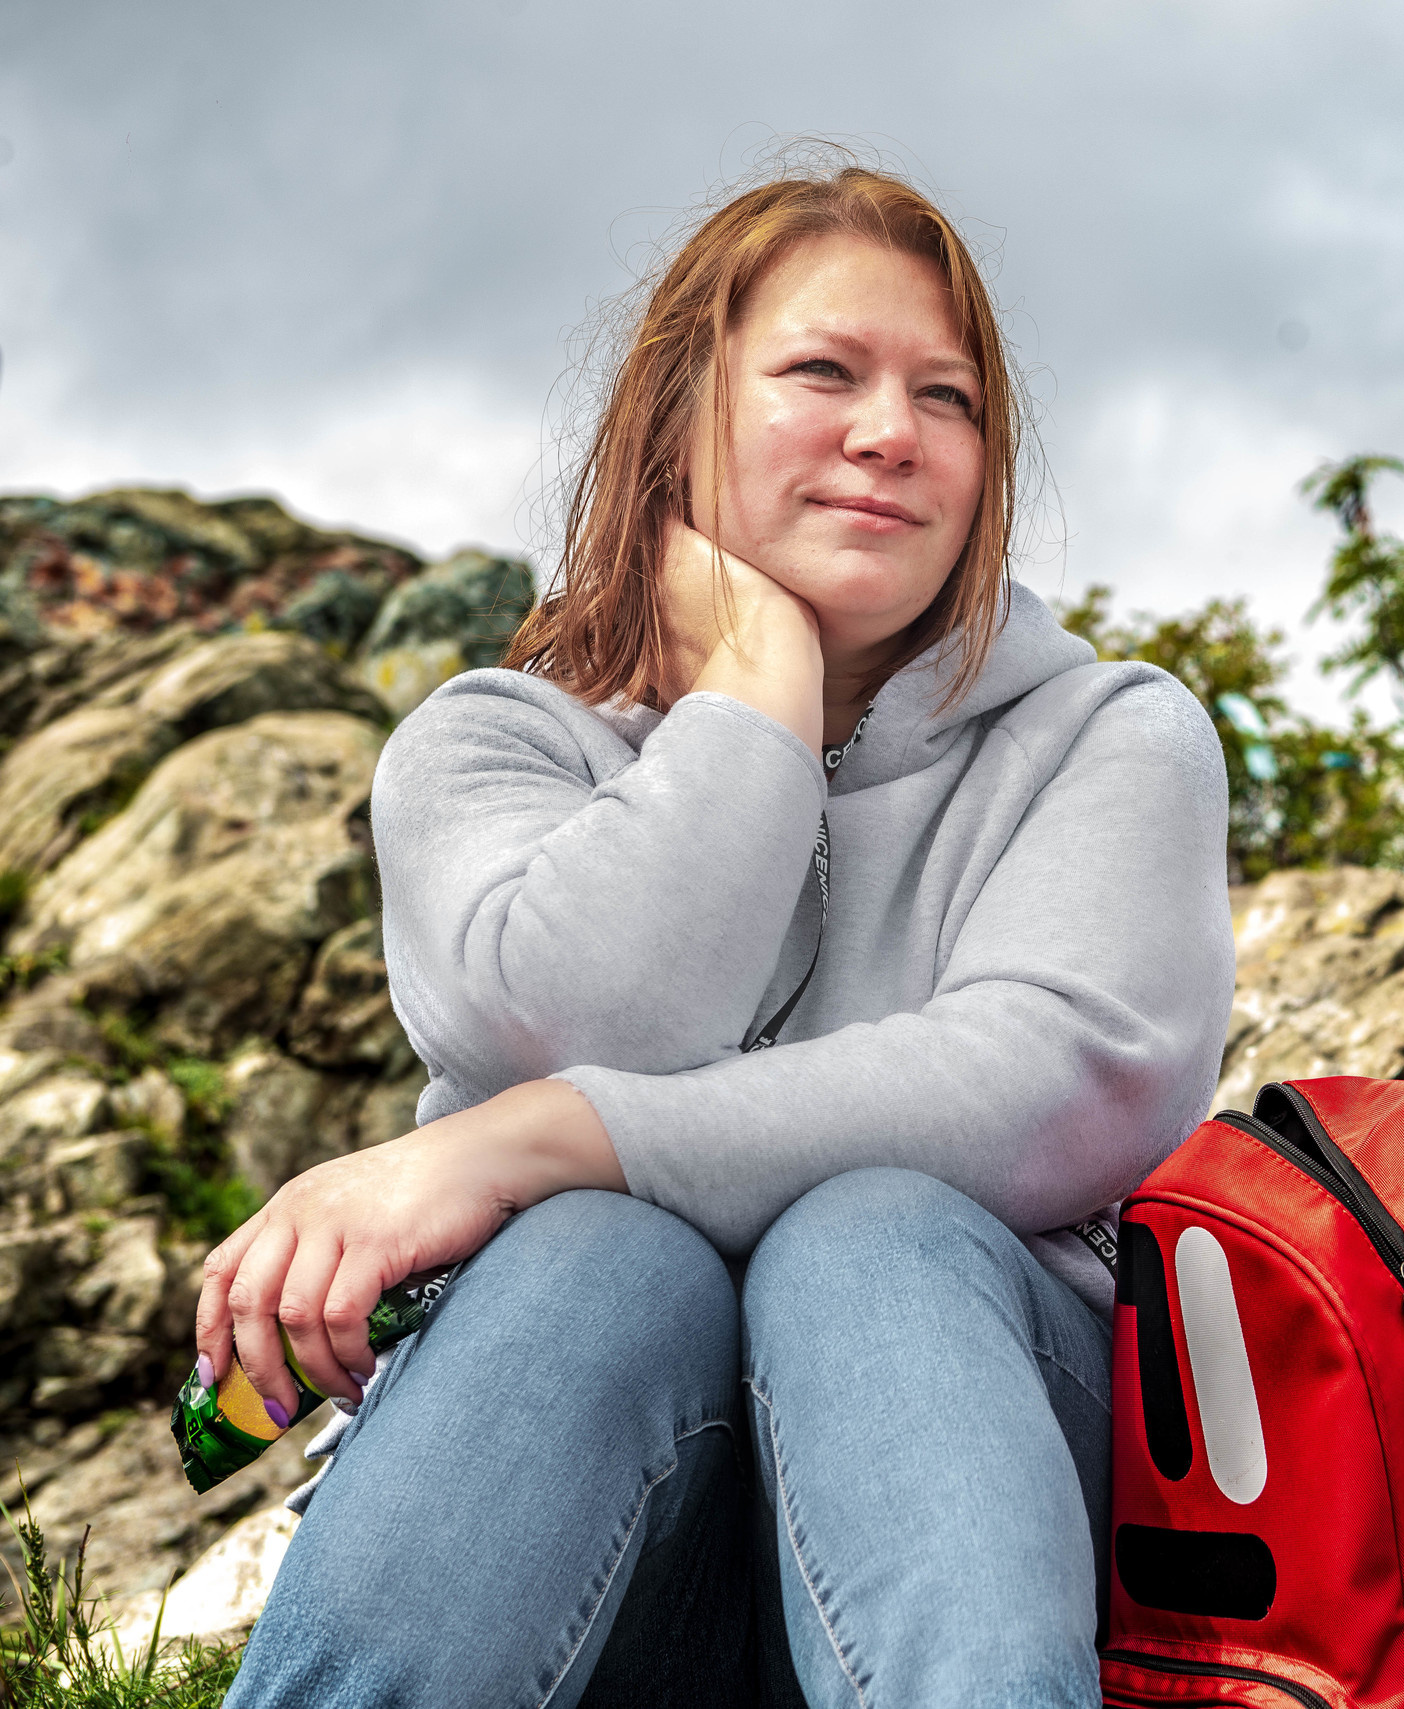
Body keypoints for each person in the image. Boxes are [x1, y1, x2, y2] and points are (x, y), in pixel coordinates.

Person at [200, 158, 1235, 1708]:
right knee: (599, 1258)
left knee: (872, 1238)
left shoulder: (1110, 735)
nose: (891, 431)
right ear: (678, 420)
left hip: (992, 1520)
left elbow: (1051, 1082)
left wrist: (526, 1140)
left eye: (946, 399)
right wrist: (758, 694)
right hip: (590, 1551)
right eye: (824, 371)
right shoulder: (492, 748)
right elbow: (573, 1002)